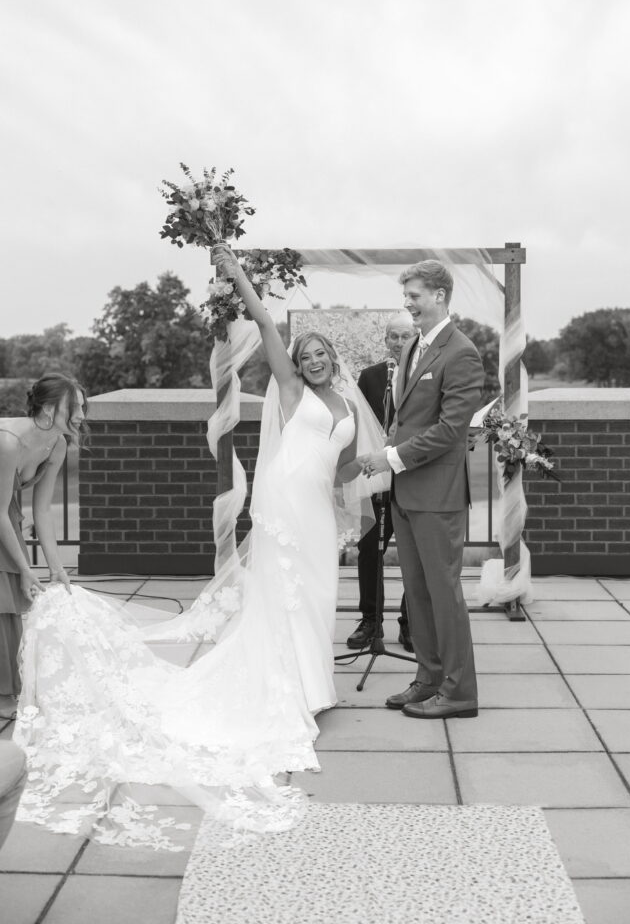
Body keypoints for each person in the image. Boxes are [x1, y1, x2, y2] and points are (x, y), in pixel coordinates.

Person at [14, 245, 388, 846]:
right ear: (296, 361)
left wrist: (373, 468)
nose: (314, 360)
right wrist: (233, 266)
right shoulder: (291, 389)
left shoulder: (347, 405)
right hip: (282, 504)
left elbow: (342, 471)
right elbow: (265, 320)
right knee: (283, 597)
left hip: (317, 509)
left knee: (318, 597)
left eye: (322, 354)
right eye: (306, 354)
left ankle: (315, 686)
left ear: (333, 358)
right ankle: (291, 691)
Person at [362, 260, 484, 720]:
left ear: (439, 295)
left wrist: (391, 458)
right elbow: (406, 417)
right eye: (406, 295)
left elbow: (452, 429)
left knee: (444, 594)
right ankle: (429, 679)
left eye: (415, 295)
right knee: (418, 593)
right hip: (407, 494)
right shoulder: (413, 345)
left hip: (438, 497)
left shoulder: (462, 352)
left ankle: (460, 692)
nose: (408, 303)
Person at [0, 374, 86, 720]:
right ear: (50, 408)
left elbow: (42, 510)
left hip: (6, 512)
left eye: (83, 406)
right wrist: (24, 568)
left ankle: (6, 691)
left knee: (6, 599)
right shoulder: (8, 443)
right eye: (75, 406)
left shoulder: (58, 444)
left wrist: (56, 567)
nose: (81, 414)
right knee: (6, 589)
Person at [346, 312, 416, 651]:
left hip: (412, 475)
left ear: (415, 338)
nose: (399, 343)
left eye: (406, 336)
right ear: (385, 340)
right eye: (393, 337)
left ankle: (411, 622)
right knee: (369, 549)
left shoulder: (424, 374)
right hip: (377, 474)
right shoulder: (371, 376)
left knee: (414, 553)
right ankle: (371, 621)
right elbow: (359, 425)